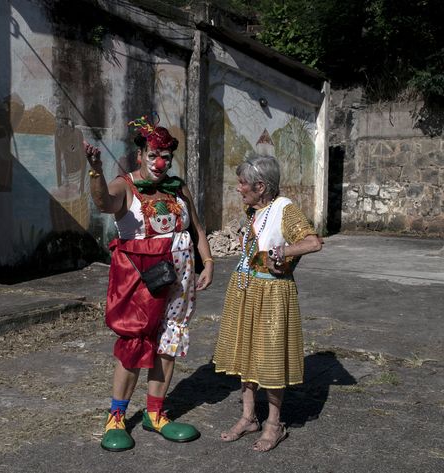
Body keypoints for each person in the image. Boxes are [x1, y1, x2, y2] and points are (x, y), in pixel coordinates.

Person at [84, 115, 214, 452]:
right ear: (140, 154)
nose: (160, 163)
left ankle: (155, 414)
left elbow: (196, 229)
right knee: (134, 341)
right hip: (140, 279)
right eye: (153, 154)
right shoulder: (123, 185)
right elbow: (103, 203)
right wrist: (95, 170)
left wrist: (209, 261)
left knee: (170, 340)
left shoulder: (177, 186)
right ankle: (116, 417)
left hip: (181, 277)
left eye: (166, 157)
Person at [212, 154, 322, 452]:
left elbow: (312, 241)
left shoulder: (284, 208)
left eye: (243, 183)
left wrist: (283, 252)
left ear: (261, 186)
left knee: (270, 358)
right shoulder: (255, 210)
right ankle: (249, 417)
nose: (238, 188)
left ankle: (274, 423)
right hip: (247, 288)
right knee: (246, 354)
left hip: (271, 293)